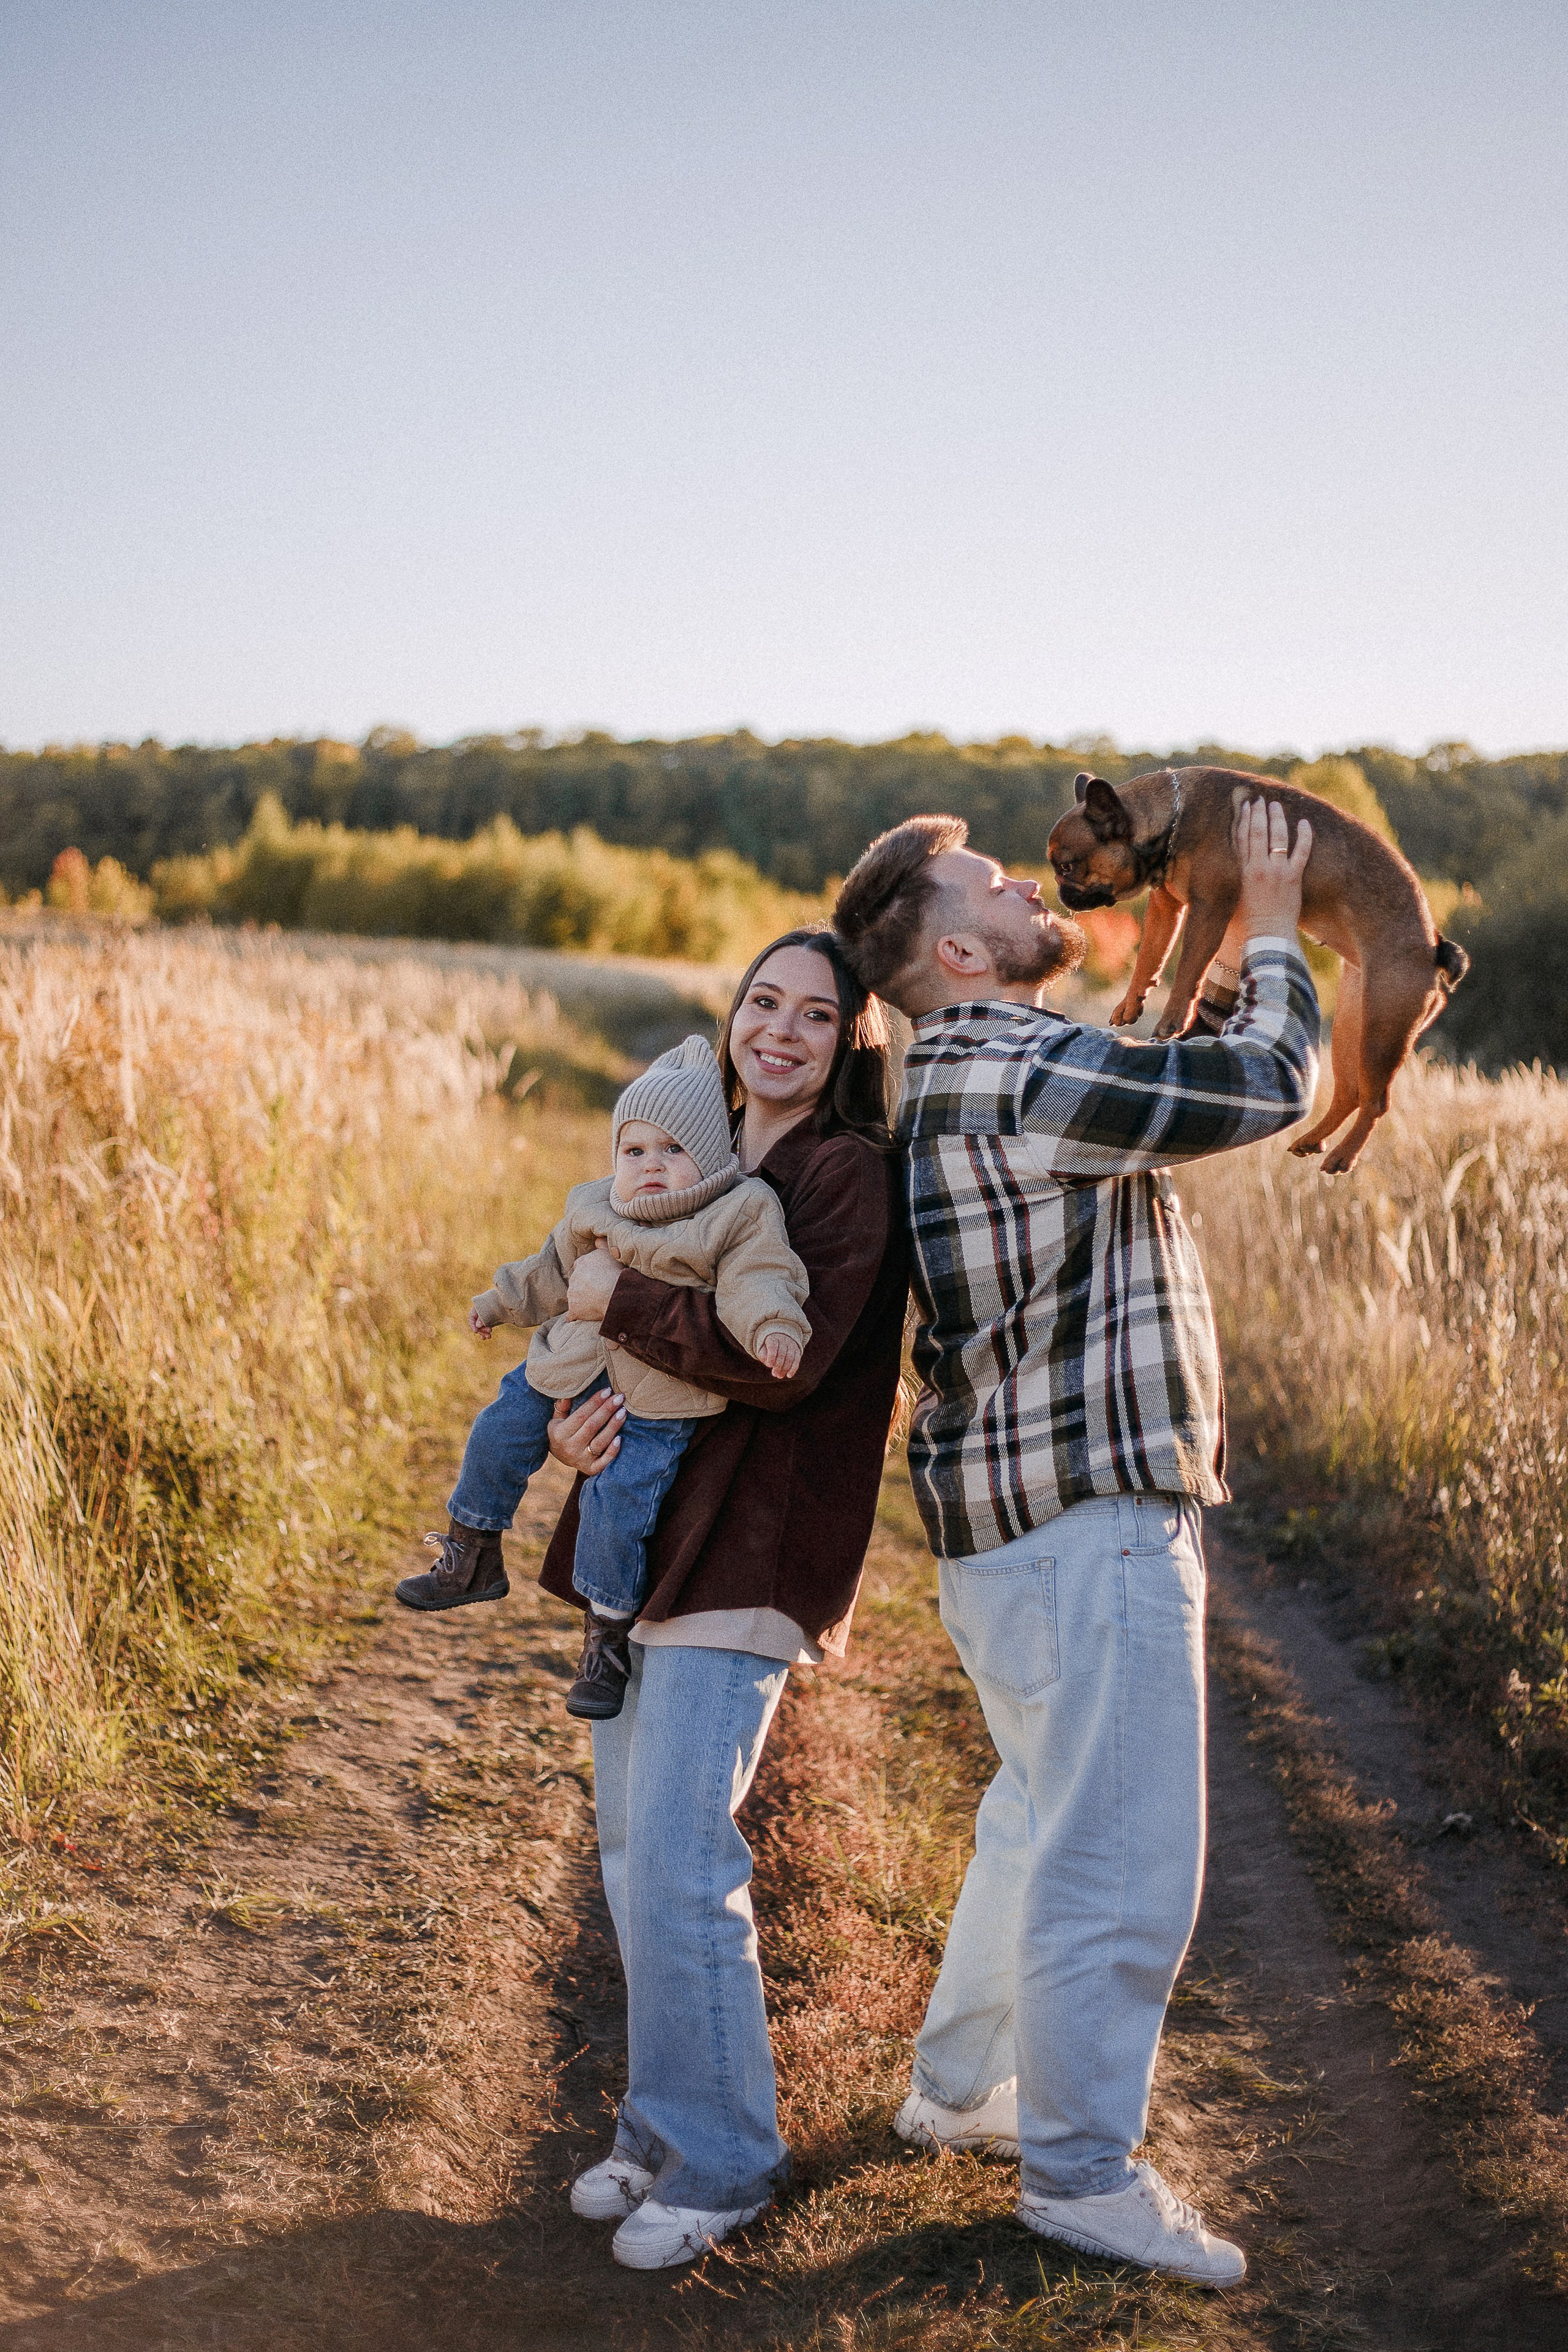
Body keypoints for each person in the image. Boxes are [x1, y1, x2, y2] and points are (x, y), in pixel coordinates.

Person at [832, 796, 1319, 2288]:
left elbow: (1145, 1069)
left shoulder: (958, 1067)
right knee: (1115, 1858)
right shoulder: (1015, 1062)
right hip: (1088, 1519)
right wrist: (1284, 922)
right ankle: (1079, 2173)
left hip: (1008, 1535)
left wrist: (1178, 958)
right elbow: (1258, 1085)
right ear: (962, 947)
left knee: (1037, 1820)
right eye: (990, 880)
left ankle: (962, 2087)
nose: (1029, 883)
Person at [535, 928, 908, 2271]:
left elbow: (780, 1370)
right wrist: (574, 1426)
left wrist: (620, 1296)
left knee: (687, 1858)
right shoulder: (681, 1156)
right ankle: (656, 2125)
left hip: (753, 1551)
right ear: (732, 1016)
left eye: (819, 1015)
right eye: (764, 1002)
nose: (784, 1031)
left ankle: (729, 2160)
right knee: (633, 1854)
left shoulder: (844, 1179)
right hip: (646, 1551)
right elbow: (600, 1345)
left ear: (851, 1042)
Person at [393, 1036, 811, 1722]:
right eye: (634, 1150)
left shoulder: (739, 1212)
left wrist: (774, 1329)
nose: (651, 1165)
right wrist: (498, 1303)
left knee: (617, 1508)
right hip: (566, 1366)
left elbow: (758, 1279)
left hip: (656, 1401)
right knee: (498, 1429)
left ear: (710, 1154)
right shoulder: (594, 1206)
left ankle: (606, 1637)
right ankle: (470, 1551)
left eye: (673, 1151)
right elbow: (548, 1273)